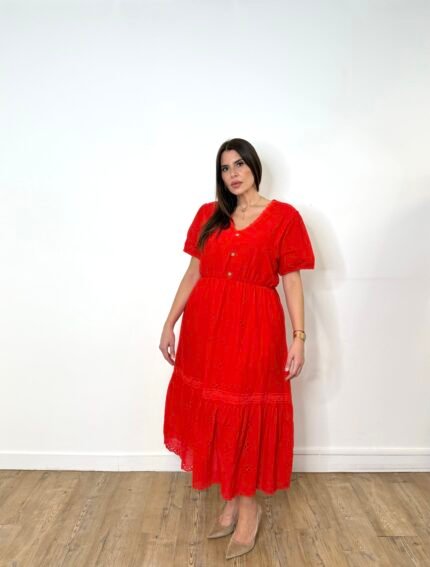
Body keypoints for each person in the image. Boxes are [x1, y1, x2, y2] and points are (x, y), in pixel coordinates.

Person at [159, 137, 315, 560]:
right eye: (225, 168)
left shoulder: (284, 217)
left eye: (240, 164)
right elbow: (193, 272)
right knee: (216, 410)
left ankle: (248, 511)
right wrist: (170, 322)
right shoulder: (208, 215)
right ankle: (230, 497)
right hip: (206, 331)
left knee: (245, 411)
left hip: (255, 330)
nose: (233, 174)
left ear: (254, 167)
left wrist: (299, 337)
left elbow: (292, 280)